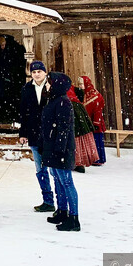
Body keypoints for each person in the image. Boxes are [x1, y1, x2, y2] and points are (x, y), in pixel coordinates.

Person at [41, 72, 80, 232]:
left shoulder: (64, 102)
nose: (47, 85)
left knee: (67, 182)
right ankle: (62, 211)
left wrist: (59, 149)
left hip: (61, 150)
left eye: (49, 82)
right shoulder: (54, 99)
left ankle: (74, 218)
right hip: (52, 148)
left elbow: (64, 129)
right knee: (57, 180)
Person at [18, 60, 54, 212]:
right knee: (40, 169)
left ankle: (62, 203)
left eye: (39, 71)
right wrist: (23, 133)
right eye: (34, 72)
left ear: (45, 72)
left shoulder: (52, 86)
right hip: (33, 133)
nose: (37, 74)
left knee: (54, 170)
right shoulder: (27, 88)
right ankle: (48, 200)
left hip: (50, 134)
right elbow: (23, 112)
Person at [67, 85, 99, 171]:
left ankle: (75, 162)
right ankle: (80, 162)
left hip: (68, 108)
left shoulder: (58, 87)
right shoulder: (70, 86)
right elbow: (80, 92)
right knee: (80, 135)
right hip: (79, 109)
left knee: (73, 136)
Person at [79, 76, 107, 166]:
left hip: (95, 122)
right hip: (88, 122)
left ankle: (98, 159)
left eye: (81, 84)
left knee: (97, 140)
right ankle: (93, 158)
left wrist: (96, 122)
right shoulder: (84, 94)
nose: (80, 86)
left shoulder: (95, 95)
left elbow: (98, 109)